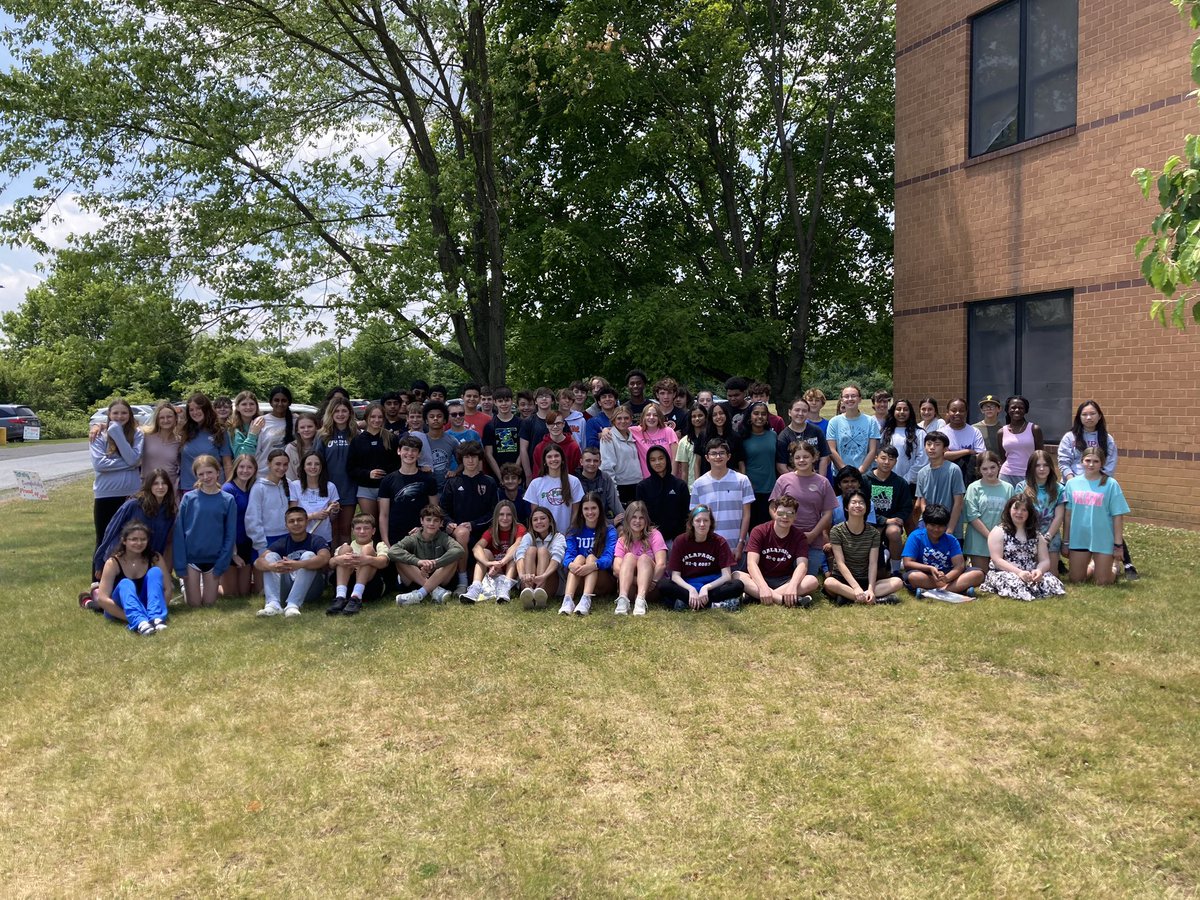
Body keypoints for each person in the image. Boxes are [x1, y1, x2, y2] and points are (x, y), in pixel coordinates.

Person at [1058, 399, 1136, 579]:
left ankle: (1117, 562)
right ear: (1079, 417)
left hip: (1099, 485)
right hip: (1074, 486)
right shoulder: (1070, 437)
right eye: (1084, 414)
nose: (1088, 417)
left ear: (1099, 416)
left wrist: (1096, 481)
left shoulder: (1107, 439)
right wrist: (1075, 483)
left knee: (1102, 522)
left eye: (1092, 414)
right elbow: (1063, 462)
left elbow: (1110, 463)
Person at [90, 468, 177, 585]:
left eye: (164, 483)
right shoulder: (133, 505)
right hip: (121, 558)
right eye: (156, 483)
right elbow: (110, 531)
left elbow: (161, 542)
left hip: (144, 562)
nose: (160, 487)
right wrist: (99, 561)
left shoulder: (168, 512)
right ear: (149, 486)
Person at [174, 454, 238, 608]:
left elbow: (230, 535)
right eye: (201, 474)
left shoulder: (228, 500)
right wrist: (180, 565)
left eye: (209, 472)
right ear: (196, 476)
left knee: (209, 604)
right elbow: (179, 532)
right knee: (194, 604)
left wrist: (222, 563)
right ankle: (186, 587)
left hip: (214, 560)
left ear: (218, 472)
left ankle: (203, 586)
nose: (206, 477)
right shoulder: (189, 498)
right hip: (192, 560)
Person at [1063, 446, 1130, 586]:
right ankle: (1093, 566)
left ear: (1102, 463)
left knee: (1102, 582)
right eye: (1088, 460)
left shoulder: (1111, 484)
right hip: (1079, 538)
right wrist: (1066, 541)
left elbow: (1117, 516)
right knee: (1076, 579)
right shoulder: (1071, 484)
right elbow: (1067, 515)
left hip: (1102, 538)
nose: (1091, 464)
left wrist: (1118, 546)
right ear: (1081, 461)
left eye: (1096, 461)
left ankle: (1114, 567)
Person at [824, 489, 904, 605]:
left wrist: (871, 588)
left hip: (865, 580)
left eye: (861, 503)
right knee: (829, 583)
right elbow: (840, 563)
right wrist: (856, 587)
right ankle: (874, 600)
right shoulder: (836, 531)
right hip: (843, 579)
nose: (857, 505)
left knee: (897, 582)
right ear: (846, 507)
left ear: (867, 508)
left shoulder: (873, 533)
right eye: (853, 502)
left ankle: (850, 598)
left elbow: (873, 563)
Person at [738, 495, 820, 607]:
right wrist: (762, 586)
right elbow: (751, 563)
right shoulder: (759, 531)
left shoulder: (799, 537)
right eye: (781, 513)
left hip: (785, 580)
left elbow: (802, 565)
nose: (785, 517)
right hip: (760, 578)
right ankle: (783, 599)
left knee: (812, 581)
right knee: (737, 575)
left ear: (795, 516)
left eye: (790, 513)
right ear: (774, 512)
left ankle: (756, 597)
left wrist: (792, 586)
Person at [769, 441, 837, 574]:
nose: (801, 460)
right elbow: (772, 507)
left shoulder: (823, 482)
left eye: (805, 457)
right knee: (784, 578)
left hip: (812, 540)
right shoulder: (783, 480)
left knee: (807, 578)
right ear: (792, 460)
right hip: (785, 538)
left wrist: (813, 534)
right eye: (797, 457)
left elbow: (828, 513)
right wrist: (783, 526)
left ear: (814, 457)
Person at [440, 441, 498, 595]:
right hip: (458, 533)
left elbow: (494, 512)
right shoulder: (453, 482)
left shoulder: (489, 482)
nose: (470, 460)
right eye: (466, 457)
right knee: (462, 532)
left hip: (482, 533)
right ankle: (462, 582)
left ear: (479, 458)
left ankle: (479, 581)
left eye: (474, 457)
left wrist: (474, 524)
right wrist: (449, 523)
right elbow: (442, 510)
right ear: (461, 459)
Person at [982, 494, 1066, 600]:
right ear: (1009, 510)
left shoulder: (1036, 535)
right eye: (1016, 508)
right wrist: (1019, 573)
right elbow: (997, 560)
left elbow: (1045, 560)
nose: (1019, 513)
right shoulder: (998, 531)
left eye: (1024, 510)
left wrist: (1039, 571)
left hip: (1029, 573)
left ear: (1029, 513)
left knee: (1051, 581)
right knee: (1014, 582)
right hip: (1004, 572)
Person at [94, 522, 172, 635]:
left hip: (146, 606)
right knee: (125, 583)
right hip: (122, 607)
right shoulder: (113, 562)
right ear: (124, 541)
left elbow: (167, 589)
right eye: (134, 539)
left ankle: (156, 618)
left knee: (155, 572)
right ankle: (140, 622)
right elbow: (102, 599)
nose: (139, 543)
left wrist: (159, 610)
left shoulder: (155, 558)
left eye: (143, 539)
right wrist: (131, 616)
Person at [661, 504, 743, 611]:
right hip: (688, 584)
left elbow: (726, 575)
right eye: (698, 520)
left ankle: (687, 603)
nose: (702, 524)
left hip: (712, 586)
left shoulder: (720, 542)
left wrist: (706, 587)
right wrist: (691, 590)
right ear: (692, 523)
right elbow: (675, 576)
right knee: (663, 585)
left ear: (711, 522)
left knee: (737, 585)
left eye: (706, 520)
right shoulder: (680, 541)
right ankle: (713, 605)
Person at [254, 505, 332, 617]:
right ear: (286, 525)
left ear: (306, 522)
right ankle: (273, 605)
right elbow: (258, 562)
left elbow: (324, 558)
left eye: (300, 520)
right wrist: (271, 566)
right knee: (270, 557)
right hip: (288, 586)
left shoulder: (316, 540)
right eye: (291, 521)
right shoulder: (282, 542)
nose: (296, 523)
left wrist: (299, 564)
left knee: (309, 555)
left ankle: (293, 605)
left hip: (311, 588)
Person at [91, 397, 145, 556]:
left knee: (132, 539)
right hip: (105, 494)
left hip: (131, 494)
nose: (120, 416)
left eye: (124, 413)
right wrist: (131, 463)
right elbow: (99, 464)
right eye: (115, 413)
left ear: (130, 415)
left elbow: (135, 459)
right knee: (104, 539)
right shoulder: (99, 435)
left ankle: (128, 571)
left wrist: (117, 433)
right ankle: (100, 572)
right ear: (109, 414)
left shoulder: (137, 434)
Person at [690, 438, 754, 565]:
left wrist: (741, 543)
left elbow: (746, 515)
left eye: (721, 453)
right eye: (713, 453)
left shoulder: (742, 480)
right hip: (709, 548)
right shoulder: (698, 484)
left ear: (728, 456)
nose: (718, 457)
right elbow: (696, 519)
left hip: (736, 547)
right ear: (707, 458)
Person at [901, 503, 985, 596]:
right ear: (925, 524)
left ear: (946, 526)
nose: (936, 529)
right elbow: (907, 563)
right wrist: (929, 568)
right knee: (914, 577)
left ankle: (937, 591)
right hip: (926, 575)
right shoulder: (915, 536)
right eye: (932, 525)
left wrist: (947, 578)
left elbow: (959, 566)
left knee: (978, 574)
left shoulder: (951, 539)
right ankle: (955, 589)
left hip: (949, 575)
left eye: (940, 526)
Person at [390, 505, 466, 605]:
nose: (431, 523)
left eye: (436, 520)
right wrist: (418, 562)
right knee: (399, 558)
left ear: (441, 523)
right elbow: (392, 551)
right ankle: (434, 590)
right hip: (417, 577)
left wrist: (435, 563)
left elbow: (459, 550)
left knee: (454, 558)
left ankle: (420, 594)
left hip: (440, 578)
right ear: (421, 521)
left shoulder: (444, 537)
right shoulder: (413, 538)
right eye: (428, 520)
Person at [560, 493, 618, 615]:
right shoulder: (574, 531)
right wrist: (571, 565)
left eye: (593, 508)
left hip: (603, 580)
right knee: (579, 558)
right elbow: (568, 554)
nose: (590, 512)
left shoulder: (609, 530)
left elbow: (609, 558)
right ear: (581, 511)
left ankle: (586, 600)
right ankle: (568, 600)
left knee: (591, 558)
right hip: (579, 577)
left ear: (600, 509)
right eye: (586, 508)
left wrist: (593, 566)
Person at [377, 435, 439, 548]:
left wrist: (424, 529)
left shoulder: (429, 480)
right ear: (399, 451)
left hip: (421, 536)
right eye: (406, 449)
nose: (410, 454)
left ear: (419, 454)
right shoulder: (388, 480)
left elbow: (435, 511)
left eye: (414, 450)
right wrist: (386, 542)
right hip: (395, 537)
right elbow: (384, 515)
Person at [460, 500, 527, 603]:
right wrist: (488, 563)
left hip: (512, 570)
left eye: (509, 515)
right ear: (496, 516)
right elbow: (476, 547)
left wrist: (502, 562)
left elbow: (518, 544)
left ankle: (505, 589)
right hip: (495, 570)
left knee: (515, 553)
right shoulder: (492, 530)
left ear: (513, 516)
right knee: (484, 552)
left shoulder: (519, 528)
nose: (505, 518)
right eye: (501, 514)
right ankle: (475, 588)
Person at [314, 396, 360, 546]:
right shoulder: (322, 435)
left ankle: (345, 558)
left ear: (350, 413)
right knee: (331, 529)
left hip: (349, 488)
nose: (340, 414)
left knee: (345, 529)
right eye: (337, 411)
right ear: (331, 413)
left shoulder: (356, 434)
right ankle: (331, 559)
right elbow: (317, 461)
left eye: (344, 411)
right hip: (328, 488)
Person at [327, 513, 391, 615]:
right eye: (358, 528)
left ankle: (356, 597)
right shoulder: (345, 546)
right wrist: (339, 559)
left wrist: (367, 559)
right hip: (348, 584)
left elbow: (384, 562)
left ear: (373, 531)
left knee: (367, 549)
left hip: (370, 585)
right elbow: (331, 564)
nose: (362, 532)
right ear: (352, 531)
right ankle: (340, 597)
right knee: (345, 550)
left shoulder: (379, 545)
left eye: (366, 528)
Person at [612, 500, 668, 616]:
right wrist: (638, 580)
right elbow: (616, 569)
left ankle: (641, 600)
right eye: (634, 517)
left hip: (651, 587)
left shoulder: (654, 534)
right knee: (628, 557)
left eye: (641, 518)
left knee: (643, 558)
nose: (637, 521)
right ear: (627, 519)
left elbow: (661, 564)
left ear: (646, 520)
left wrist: (652, 581)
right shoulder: (622, 540)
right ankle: (623, 600)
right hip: (630, 587)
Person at [962, 451, 1014, 570]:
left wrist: (999, 537)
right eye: (984, 469)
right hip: (978, 541)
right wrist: (990, 536)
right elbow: (972, 515)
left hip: (1001, 540)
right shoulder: (973, 488)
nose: (989, 472)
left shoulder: (1008, 488)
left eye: (992, 467)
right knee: (981, 575)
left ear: (999, 466)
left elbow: (1010, 515)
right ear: (979, 470)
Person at [866, 445, 913, 572]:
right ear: (876, 458)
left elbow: (906, 507)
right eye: (883, 458)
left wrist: (896, 519)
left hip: (893, 522)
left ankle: (895, 570)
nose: (887, 462)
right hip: (869, 521)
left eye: (891, 459)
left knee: (894, 532)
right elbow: (862, 506)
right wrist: (883, 520)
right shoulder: (865, 480)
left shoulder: (900, 482)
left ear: (896, 461)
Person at [913, 431, 966, 539]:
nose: (932, 448)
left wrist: (950, 529)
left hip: (950, 526)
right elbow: (922, 502)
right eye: (928, 444)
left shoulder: (953, 470)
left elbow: (958, 503)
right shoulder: (922, 473)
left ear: (945, 449)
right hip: (927, 525)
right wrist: (930, 523)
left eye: (937, 444)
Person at [220, 454, 259, 599]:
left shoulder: (253, 488)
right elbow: (223, 522)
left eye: (249, 467)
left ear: (255, 470)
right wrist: (233, 553)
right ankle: (205, 585)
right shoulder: (228, 489)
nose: (245, 471)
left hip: (247, 543)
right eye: (242, 467)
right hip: (231, 544)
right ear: (236, 468)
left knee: (244, 593)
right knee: (231, 594)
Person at [1015, 450, 1066, 557]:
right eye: (1037, 465)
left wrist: (1047, 538)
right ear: (1031, 468)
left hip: (1051, 538)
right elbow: (1018, 515)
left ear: (1050, 467)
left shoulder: (1060, 489)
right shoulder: (1021, 487)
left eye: (1045, 465)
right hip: (1026, 538)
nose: (1042, 469)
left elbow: (1059, 516)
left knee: (1051, 568)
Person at [635, 445, 689, 544]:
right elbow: (641, 515)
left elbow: (686, 514)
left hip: (676, 540)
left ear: (667, 459)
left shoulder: (680, 485)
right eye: (653, 460)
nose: (657, 462)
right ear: (648, 463)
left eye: (661, 458)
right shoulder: (642, 487)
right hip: (651, 540)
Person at [514, 506, 565, 609]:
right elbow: (519, 554)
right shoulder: (528, 536)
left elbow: (557, 558)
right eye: (535, 519)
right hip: (528, 581)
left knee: (542, 551)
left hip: (549, 580)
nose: (539, 522)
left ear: (550, 521)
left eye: (543, 518)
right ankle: (529, 592)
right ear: (531, 524)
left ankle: (539, 593)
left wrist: (543, 576)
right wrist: (522, 575)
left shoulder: (558, 537)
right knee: (531, 550)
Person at [245, 449, 293, 559]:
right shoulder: (259, 487)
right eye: (278, 464)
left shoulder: (289, 484)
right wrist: (261, 546)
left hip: (287, 538)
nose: (282, 468)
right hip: (266, 540)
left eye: (285, 464)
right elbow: (252, 519)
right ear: (268, 464)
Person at [180, 392, 233, 488]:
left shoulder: (219, 431)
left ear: (206, 408)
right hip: (189, 487)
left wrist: (228, 487)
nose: (195, 412)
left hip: (214, 487)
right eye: (191, 410)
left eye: (198, 408)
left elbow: (227, 463)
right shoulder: (184, 431)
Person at [738, 400, 778, 527]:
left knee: (769, 527)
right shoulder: (742, 437)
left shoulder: (773, 435)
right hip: (750, 489)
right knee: (753, 527)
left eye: (763, 414)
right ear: (749, 416)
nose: (760, 417)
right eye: (756, 413)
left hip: (770, 488)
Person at [826, 384, 880, 475]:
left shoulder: (870, 421)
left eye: (853, 396)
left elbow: (873, 450)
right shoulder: (834, 422)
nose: (850, 399)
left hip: (865, 474)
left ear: (860, 399)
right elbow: (831, 450)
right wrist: (845, 471)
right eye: (846, 396)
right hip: (841, 475)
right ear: (842, 400)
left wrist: (860, 471)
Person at [289, 450, 341, 544]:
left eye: (317, 464)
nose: (313, 467)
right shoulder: (295, 486)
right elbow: (292, 514)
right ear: (303, 467)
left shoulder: (330, 487)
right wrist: (313, 516)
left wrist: (334, 510)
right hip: (301, 536)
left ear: (321, 467)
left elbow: (332, 518)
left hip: (324, 537)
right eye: (309, 464)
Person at [775, 396, 831, 478]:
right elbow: (781, 466)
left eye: (804, 411)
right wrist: (798, 480)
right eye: (797, 410)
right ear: (790, 412)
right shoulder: (784, 436)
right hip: (794, 480)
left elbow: (825, 457)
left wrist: (820, 479)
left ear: (808, 413)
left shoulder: (816, 431)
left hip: (816, 477)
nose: (800, 413)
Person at [599, 405, 645, 504]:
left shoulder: (634, 435)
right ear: (613, 420)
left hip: (638, 483)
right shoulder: (608, 438)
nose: (623, 421)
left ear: (631, 420)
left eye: (626, 418)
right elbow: (607, 467)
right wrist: (614, 492)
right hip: (621, 486)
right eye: (619, 418)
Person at [997, 395, 1044, 488]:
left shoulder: (1034, 429)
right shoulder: (1001, 432)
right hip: (1006, 475)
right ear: (1007, 410)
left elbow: (1040, 455)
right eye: (1013, 407)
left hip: (1028, 475)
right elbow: (1003, 457)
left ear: (1026, 410)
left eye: (1021, 408)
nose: (1017, 410)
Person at [878, 398, 926, 484]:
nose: (902, 412)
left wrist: (905, 480)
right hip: (887, 481)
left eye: (905, 409)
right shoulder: (885, 433)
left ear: (910, 412)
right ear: (893, 412)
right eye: (898, 409)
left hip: (910, 483)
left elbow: (922, 459)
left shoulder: (919, 433)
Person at [939, 397, 985, 486]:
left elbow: (980, 456)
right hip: (946, 477)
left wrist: (952, 454)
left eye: (961, 411)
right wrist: (968, 451)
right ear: (948, 412)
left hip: (970, 478)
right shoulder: (941, 433)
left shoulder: (974, 432)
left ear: (966, 413)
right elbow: (941, 455)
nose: (957, 413)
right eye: (953, 410)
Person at [576, 446, 624, 525]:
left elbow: (615, 505)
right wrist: (611, 522)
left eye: (595, 461)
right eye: (588, 460)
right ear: (581, 462)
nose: (592, 464)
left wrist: (626, 523)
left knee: (622, 529)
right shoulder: (575, 481)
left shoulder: (605, 478)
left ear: (600, 463)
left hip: (605, 520)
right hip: (583, 523)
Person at [629, 402, 678, 478]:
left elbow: (675, 457)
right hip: (647, 479)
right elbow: (619, 429)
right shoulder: (636, 431)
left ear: (659, 417)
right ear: (643, 417)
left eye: (655, 415)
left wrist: (671, 478)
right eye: (648, 415)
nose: (651, 417)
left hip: (668, 477)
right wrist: (608, 431)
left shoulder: (668, 431)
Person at [140, 400, 181, 489]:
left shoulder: (180, 441)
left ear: (175, 418)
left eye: (169, 417)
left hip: (170, 487)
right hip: (148, 487)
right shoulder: (145, 436)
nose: (166, 420)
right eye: (162, 418)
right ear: (157, 420)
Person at [697, 402, 744, 476]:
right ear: (711, 417)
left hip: (730, 479)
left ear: (726, 415)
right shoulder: (703, 435)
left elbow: (741, 463)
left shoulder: (735, 437)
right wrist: (697, 480)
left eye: (721, 413)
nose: (718, 417)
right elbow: (697, 462)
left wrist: (742, 481)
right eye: (714, 415)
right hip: (707, 479)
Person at [483, 386, 522, 477]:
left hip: (517, 473)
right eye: (500, 401)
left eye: (507, 400)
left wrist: (515, 472)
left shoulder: (521, 423)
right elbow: (488, 454)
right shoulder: (490, 426)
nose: (504, 404)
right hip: (497, 473)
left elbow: (523, 450)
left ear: (512, 401)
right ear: (495, 402)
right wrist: (500, 476)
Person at [423, 400, 462, 491]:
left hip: (445, 488)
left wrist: (455, 472)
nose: (435, 419)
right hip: (425, 487)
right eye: (431, 416)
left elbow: (462, 463)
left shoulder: (452, 441)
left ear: (445, 420)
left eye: (439, 416)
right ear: (426, 421)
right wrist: (420, 468)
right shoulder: (421, 440)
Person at [255, 385, 296, 470]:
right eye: (276, 400)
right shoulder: (261, 421)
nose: (280, 404)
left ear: (289, 402)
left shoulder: (297, 422)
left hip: (289, 472)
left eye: (284, 400)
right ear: (270, 402)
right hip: (264, 472)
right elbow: (255, 450)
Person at [518, 387, 554, 480]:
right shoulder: (528, 422)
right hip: (535, 468)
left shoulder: (559, 420)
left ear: (552, 401)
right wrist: (528, 474)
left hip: (556, 467)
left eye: (547, 396)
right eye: (540, 396)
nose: (544, 399)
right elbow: (523, 449)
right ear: (536, 402)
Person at [531, 409, 582, 475]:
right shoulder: (539, 448)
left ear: (563, 424)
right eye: (551, 423)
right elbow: (537, 473)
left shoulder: (573, 447)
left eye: (558, 423)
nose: (555, 427)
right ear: (547, 425)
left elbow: (577, 472)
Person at [675, 403, 709, 487]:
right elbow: (684, 471)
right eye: (693, 416)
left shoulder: (711, 438)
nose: (697, 419)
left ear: (706, 417)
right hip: (692, 486)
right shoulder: (684, 442)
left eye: (700, 415)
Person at [284, 412, 321, 481]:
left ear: (316, 427)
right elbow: (289, 476)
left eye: (310, 426)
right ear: (297, 430)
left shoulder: (322, 446)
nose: (306, 430)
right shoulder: (291, 448)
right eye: (302, 427)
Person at [228, 390, 264, 460]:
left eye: (252, 404)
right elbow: (241, 457)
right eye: (244, 404)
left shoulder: (263, 423)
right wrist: (252, 435)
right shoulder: (232, 428)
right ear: (237, 407)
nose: (248, 407)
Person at [584, 385, 619, 449]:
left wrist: (602, 437)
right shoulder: (592, 422)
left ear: (615, 401)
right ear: (599, 402)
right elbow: (591, 444)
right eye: (604, 397)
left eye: (610, 396)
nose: (607, 399)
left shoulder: (623, 419)